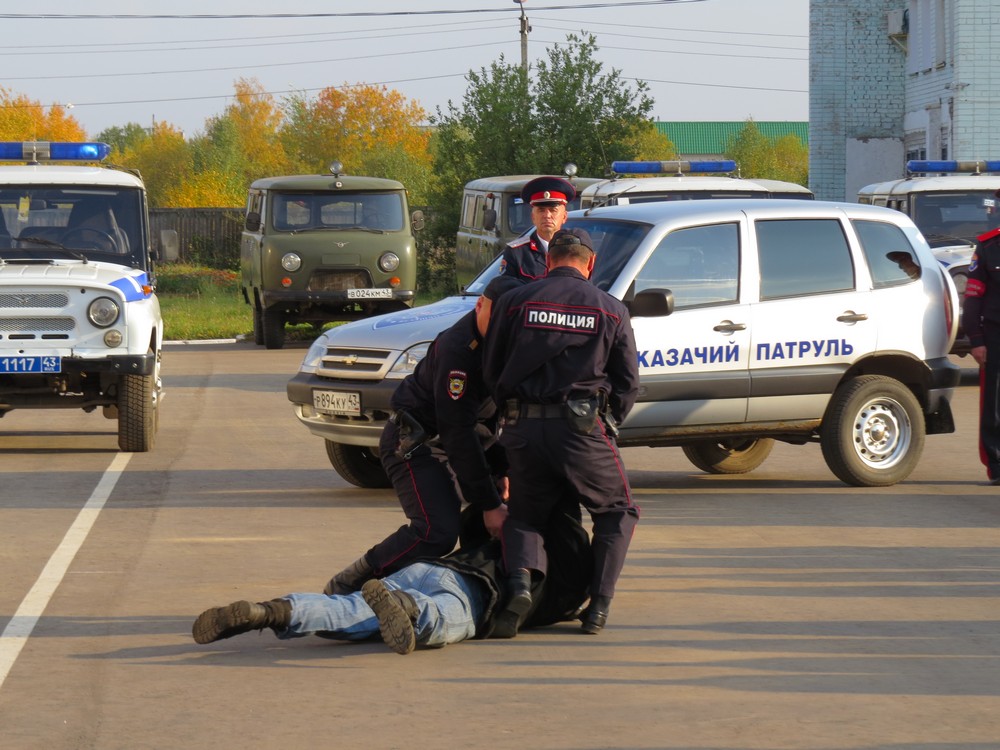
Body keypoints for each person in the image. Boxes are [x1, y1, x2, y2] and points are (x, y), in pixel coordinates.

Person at [322, 275, 524, 596]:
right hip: (415, 442)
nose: (503, 329)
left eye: (511, 321)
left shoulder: (512, 344)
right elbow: (456, 430)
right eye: (497, 317)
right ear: (481, 305)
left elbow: (503, 413)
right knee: (436, 531)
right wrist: (488, 502)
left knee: (503, 517)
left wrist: (504, 472)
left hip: (469, 439)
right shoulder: (459, 349)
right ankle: (354, 583)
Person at [482, 227, 641, 636]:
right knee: (616, 511)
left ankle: (520, 585)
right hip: (581, 430)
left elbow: (493, 368)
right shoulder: (610, 308)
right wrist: (609, 422)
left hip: (523, 427)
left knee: (526, 515)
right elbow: (626, 382)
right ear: (590, 264)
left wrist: (508, 414)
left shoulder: (514, 302)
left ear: (548, 261)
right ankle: (598, 607)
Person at [192, 506, 592, 655]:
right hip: (472, 596)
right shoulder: (561, 579)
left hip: (432, 568)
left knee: (349, 613)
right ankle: (409, 610)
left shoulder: (508, 531)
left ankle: (269, 611)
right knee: (440, 622)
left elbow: (474, 523)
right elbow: (554, 605)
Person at [962, 226, 1000, 483]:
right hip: (995, 335)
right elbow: (973, 296)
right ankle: (997, 462)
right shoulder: (988, 246)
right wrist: (976, 340)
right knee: (994, 402)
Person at [498, 175, 575, 281]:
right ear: (533, 217)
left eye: (553, 210)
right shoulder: (517, 252)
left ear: (564, 217)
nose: (547, 215)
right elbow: (506, 289)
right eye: (541, 210)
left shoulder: (575, 249)